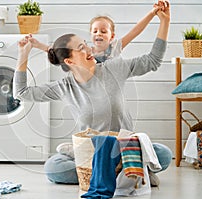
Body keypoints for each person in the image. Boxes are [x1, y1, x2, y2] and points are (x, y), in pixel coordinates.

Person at [13, 0, 171, 188]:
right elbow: (21, 93)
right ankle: (127, 171)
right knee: (53, 167)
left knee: (163, 154)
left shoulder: (114, 67)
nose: (89, 49)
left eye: (85, 45)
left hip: (122, 147)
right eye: (81, 48)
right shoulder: (65, 87)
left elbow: (153, 61)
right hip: (91, 151)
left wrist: (164, 22)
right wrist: (23, 55)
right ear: (69, 61)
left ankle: (108, 171)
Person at [28, 1, 164, 64]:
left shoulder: (115, 47)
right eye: (95, 31)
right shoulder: (86, 51)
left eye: (104, 31)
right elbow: (60, 51)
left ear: (112, 36)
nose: (99, 33)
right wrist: (38, 45)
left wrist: (152, 13)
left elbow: (135, 31)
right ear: (91, 35)